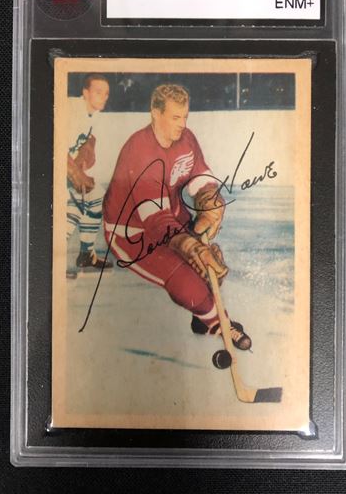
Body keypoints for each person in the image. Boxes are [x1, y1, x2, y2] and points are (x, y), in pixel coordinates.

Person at [102, 84, 251, 349]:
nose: (182, 124)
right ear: (155, 113)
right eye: (175, 117)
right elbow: (156, 223)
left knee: (209, 266)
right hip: (132, 232)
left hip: (170, 217)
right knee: (187, 282)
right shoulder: (140, 151)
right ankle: (220, 322)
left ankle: (203, 316)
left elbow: (200, 176)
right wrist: (192, 247)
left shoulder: (186, 138)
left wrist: (209, 202)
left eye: (185, 117)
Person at [66, 74, 114, 272]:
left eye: (106, 93)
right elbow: (54, 146)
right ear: (85, 93)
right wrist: (74, 174)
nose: (104, 97)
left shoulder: (94, 114)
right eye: (98, 92)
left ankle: (86, 254)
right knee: (75, 206)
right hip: (52, 170)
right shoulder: (71, 108)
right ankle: (52, 259)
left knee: (95, 196)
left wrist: (85, 156)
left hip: (66, 169)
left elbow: (85, 148)